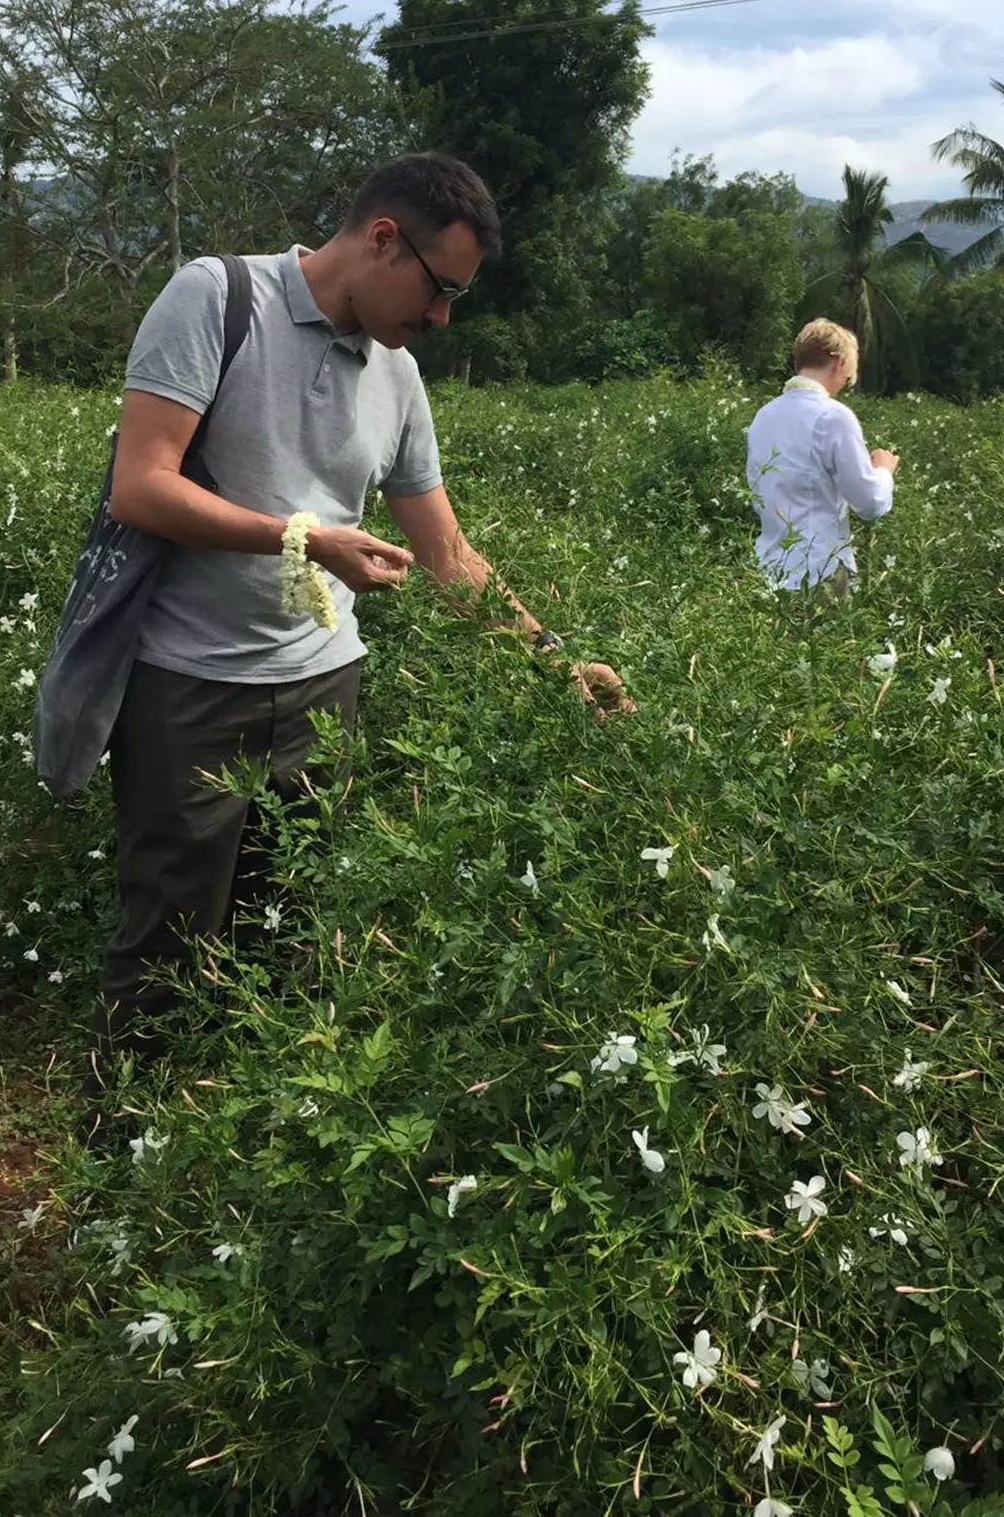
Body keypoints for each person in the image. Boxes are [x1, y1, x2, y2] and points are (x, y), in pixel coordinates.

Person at [84, 152, 631, 1115]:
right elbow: (143, 486)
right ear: (384, 239)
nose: (441, 317)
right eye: (440, 289)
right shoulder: (215, 296)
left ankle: (248, 1153)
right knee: (169, 942)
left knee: (291, 930)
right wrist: (304, 537)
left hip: (323, 686)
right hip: (191, 686)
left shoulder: (400, 375)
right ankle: (127, 1163)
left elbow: (449, 556)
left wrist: (555, 663)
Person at [745, 318, 899, 597]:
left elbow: (759, 493)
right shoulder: (834, 416)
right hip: (820, 572)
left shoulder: (763, 416)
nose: (845, 384)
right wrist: (883, 471)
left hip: (769, 569)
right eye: (849, 377)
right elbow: (870, 503)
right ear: (839, 363)